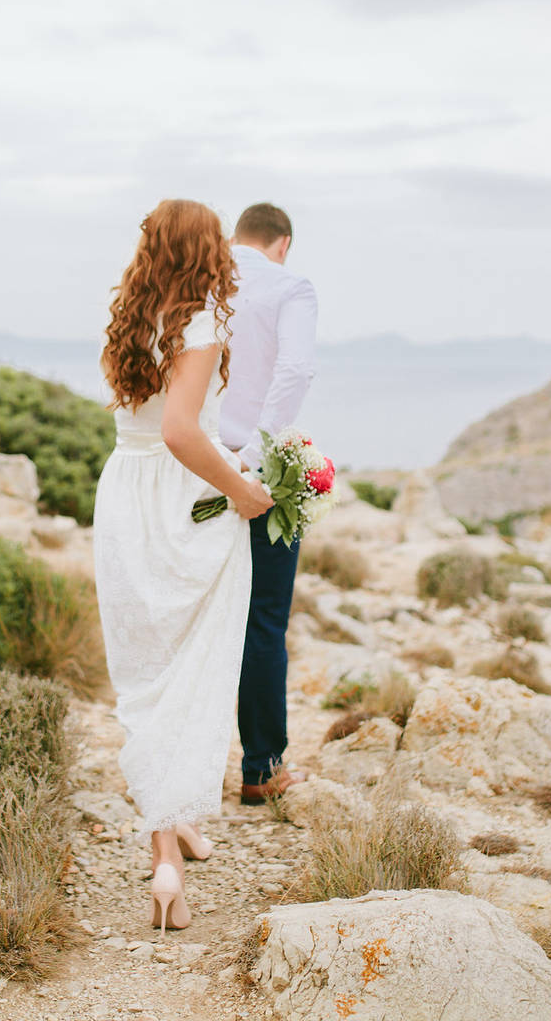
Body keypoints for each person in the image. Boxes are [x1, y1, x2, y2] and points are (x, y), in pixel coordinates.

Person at [93, 199, 275, 934]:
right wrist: (244, 489)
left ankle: (168, 843)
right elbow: (179, 431)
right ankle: (170, 849)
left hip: (124, 493)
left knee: (146, 672)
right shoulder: (198, 323)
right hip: (179, 503)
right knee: (191, 668)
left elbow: (143, 426)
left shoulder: (131, 318)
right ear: (208, 251)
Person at [218, 202, 318, 806]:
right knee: (263, 620)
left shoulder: (199, 277)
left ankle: (186, 771)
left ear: (237, 238)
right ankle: (261, 768)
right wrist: (251, 457)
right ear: (283, 243)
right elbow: (297, 370)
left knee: (195, 618)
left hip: (188, 463)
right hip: (255, 472)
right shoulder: (290, 286)